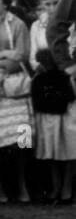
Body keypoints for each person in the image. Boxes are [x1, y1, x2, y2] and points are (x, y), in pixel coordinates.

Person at [0, 0, 33, 204]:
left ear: (5, 1)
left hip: (17, 90)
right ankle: (2, 189)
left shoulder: (18, 24)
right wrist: (5, 56)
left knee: (23, 141)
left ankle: (23, 186)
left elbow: (22, 55)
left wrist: (2, 57)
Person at [31, 49, 76, 204]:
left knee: (69, 153)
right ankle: (57, 187)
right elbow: (37, 101)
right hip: (47, 119)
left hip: (64, 117)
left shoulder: (64, 77)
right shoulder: (38, 79)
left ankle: (66, 187)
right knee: (51, 154)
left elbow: (70, 96)